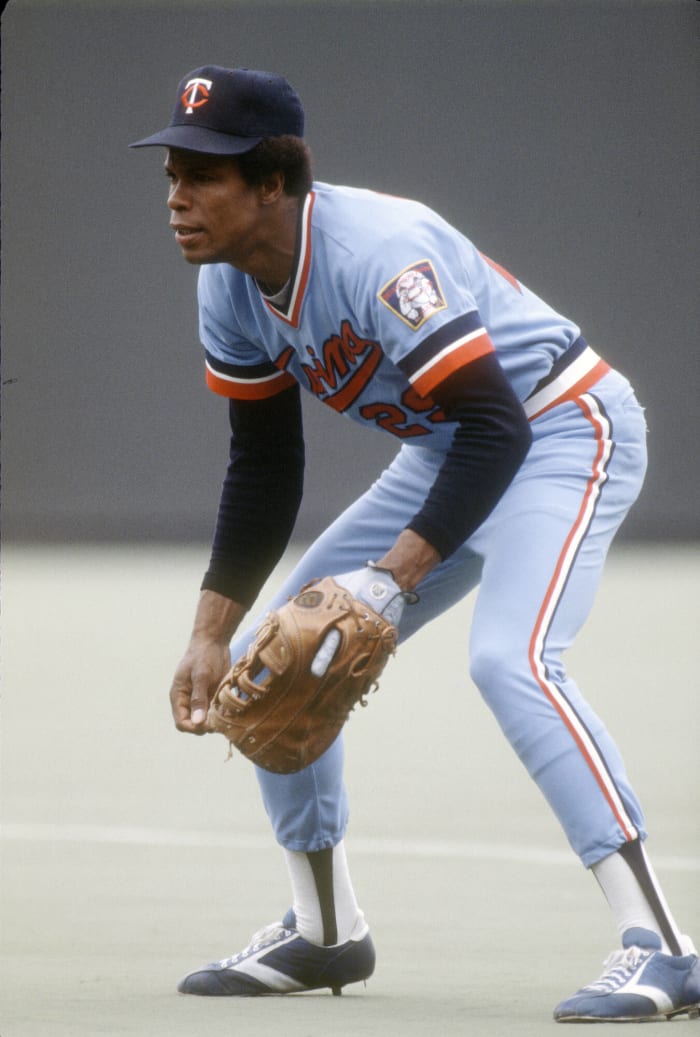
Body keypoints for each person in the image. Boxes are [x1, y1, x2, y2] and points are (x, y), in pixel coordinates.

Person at [130, 65, 699, 1021]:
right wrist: (208, 630)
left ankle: (664, 946)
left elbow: (499, 427)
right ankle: (323, 932)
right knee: (292, 648)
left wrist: (398, 576)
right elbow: (264, 467)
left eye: (205, 175)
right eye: (173, 174)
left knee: (513, 660)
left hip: (562, 427)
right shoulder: (227, 286)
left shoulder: (377, 252)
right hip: (450, 450)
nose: (179, 198)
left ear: (273, 183)